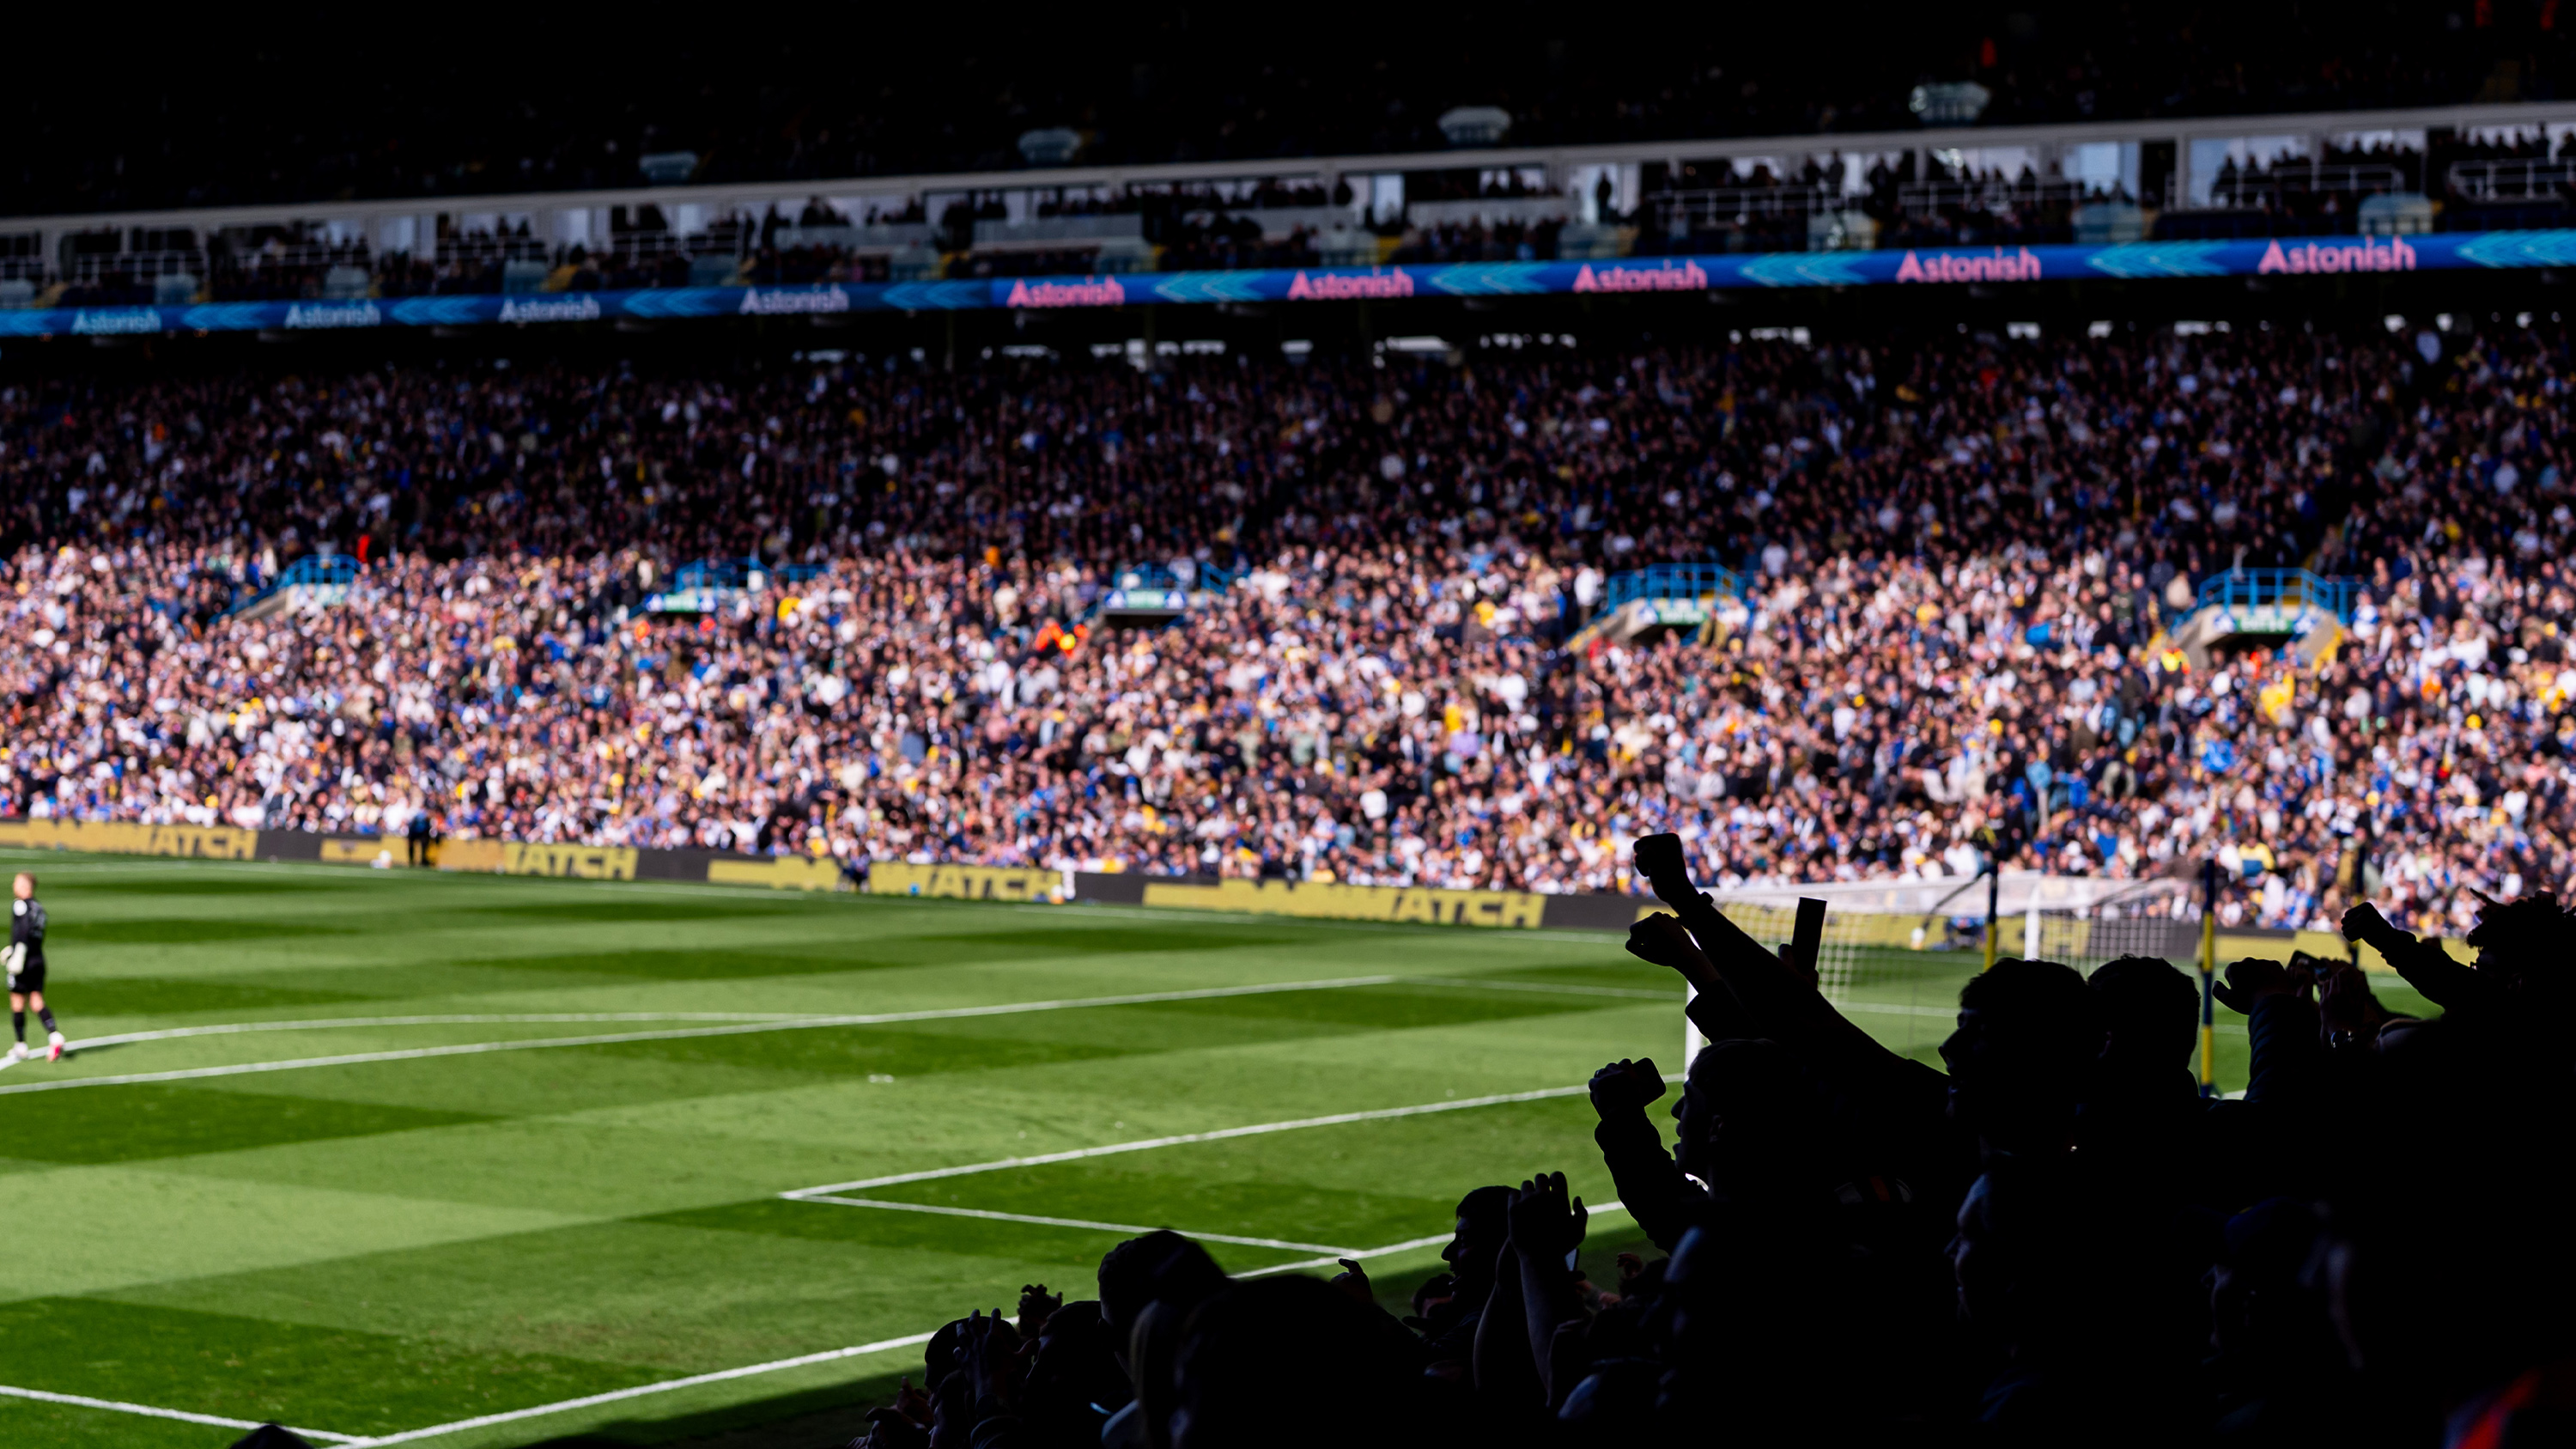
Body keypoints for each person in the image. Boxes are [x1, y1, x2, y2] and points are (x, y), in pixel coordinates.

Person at [4, 873, 63, 1064]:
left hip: (24, 961)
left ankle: (21, 1045)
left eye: (17, 882)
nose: (14, 885)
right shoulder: (39, 908)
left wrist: (17, 952)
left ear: (25, 886)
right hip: (38, 959)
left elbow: (23, 929)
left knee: (17, 1001)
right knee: (36, 1000)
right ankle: (54, 1036)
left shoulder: (20, 904)